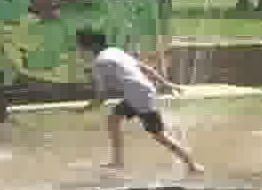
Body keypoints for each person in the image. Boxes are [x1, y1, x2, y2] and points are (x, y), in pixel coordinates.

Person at [74, 29, 203, 175]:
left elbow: (104, 95)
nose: (80, 50)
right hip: (140, 94)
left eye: (81, 46)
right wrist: (167, 84)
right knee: (113, 119)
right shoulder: (115, 51)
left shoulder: (100, 63)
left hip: (140, 98)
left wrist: (86, 108)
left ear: (91, 46)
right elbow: (145, 68)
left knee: (159, 136)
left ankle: (192, 165)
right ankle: (117, 161)